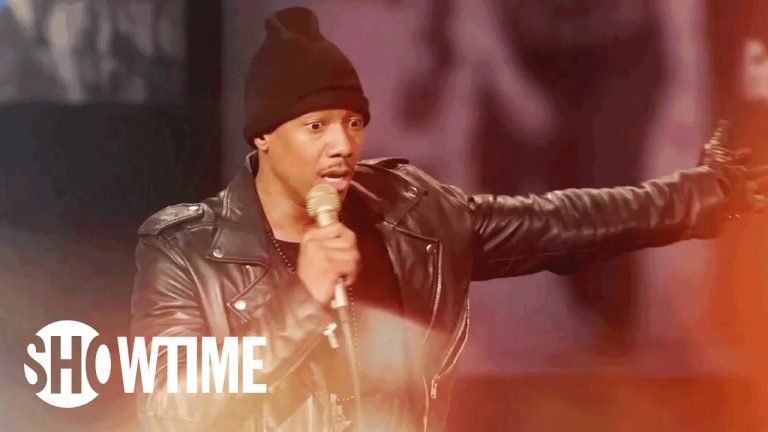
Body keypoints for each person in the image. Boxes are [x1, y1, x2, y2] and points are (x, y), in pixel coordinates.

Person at [130, 7, 768, 432]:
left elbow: (556, 224)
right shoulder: (186, 250)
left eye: (353, 122)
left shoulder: (410, 216)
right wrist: (303, 300)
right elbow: (173, 411)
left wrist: (698, 197)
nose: (343, 145)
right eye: (316, 126)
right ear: (264, 137)